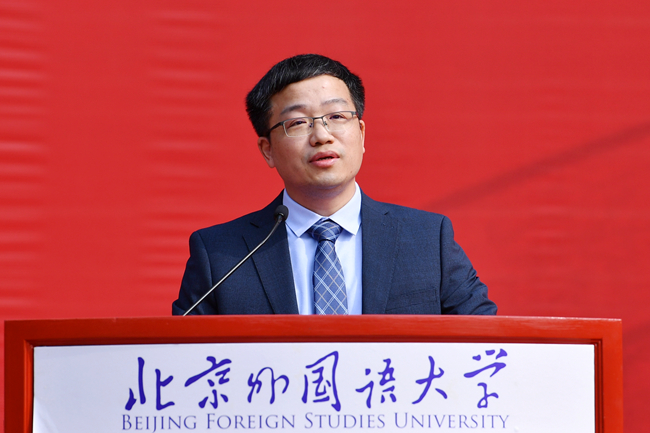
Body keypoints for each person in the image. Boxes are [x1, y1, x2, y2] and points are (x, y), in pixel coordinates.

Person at [172, 54, 496, 316]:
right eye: (298, 122)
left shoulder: (428, 240)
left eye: (337, 117)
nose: (321, 136)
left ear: (362, 134)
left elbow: (488, 347)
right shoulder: (221, 255)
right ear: (267, 150)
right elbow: (185, 361)